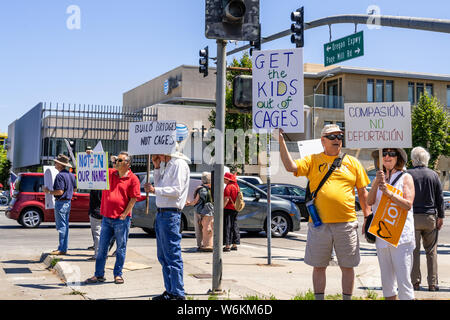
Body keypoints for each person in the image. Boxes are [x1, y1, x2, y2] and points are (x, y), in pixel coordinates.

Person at [276, 124, 371, 300]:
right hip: (319, 224)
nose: (337, 140)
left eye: (339, 136)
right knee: (319, 266)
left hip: (347, 223)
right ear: (323, 141)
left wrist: (367, 216)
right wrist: (281, 141)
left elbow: (363, 192)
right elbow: (290, 167)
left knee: (348, 266)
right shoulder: (312, 160)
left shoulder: (353, 162)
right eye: (332, 136)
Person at [85, 151, 140, 285]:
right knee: (102, 248)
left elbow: (133, 199)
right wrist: (92, 156)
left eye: (119, 160)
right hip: (107, 218)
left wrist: (124, 214)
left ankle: (118, 274)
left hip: (121, 219)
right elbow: (96, 168)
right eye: (116, 160)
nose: (116, 162)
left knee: (121, 248)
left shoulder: (133, 179)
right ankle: (98, 275)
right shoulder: (110, 174)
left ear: (127, 164)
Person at [367, 148, 416, 300]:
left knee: (404, 282)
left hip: (401, 237)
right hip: (382, 236)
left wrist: (389, 193)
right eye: (384, 154)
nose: (387, 156)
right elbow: (369, 202)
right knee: (387, 283)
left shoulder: (405, 177)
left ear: (398, 158)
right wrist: (377, 183)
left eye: (392, 153)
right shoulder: (377, 178)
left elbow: (408, 204)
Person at [144, 149, 190, 300]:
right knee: (164, 255)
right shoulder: (169, 165)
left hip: (171, 213)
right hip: (163, 212)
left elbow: (176, 191)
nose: (157, 155)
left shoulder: (179, 164)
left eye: (159, 152)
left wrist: (155, 189)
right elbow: (160, 187)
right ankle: (171, 290)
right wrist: (156, 168)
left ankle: (177, 292)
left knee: (171, 254)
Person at [408, 146, 444, 292]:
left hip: (413, 216)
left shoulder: (408, 174)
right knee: (431, 251)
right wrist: (440, 216)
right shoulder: (433, 175)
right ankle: (433, 283)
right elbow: (439, 198)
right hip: (430, 217)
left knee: (414, 251)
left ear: (413, 159)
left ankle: (415, 282)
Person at [43, 154, 77, 256]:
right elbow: (75, 189)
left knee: (62, 226)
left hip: (61, 202)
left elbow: (60, 191)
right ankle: (63, 247)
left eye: (56, 162)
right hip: (68, 202)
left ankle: (62, 249)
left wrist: (48, 191)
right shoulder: (71, 175)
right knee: (65, 226)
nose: (55, 163)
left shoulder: (60, 176)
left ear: (60, 165)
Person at [186, 172, 214, 252]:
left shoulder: (201, 189)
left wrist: (189, 203)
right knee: (209, 228)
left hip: (199, 211)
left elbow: (195, 201)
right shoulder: (212, 188)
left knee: (198, 228)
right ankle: (209, 243)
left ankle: (200, 244)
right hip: (210, 211)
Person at [223, 172, 240, 252]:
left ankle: (227, 246)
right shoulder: (236, 186)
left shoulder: (228, 187)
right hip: (235, 208)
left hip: (228, 209)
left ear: (227, 179)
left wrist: (221, 208)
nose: (223, 180)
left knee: (227, 226)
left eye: (224, 178)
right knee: (234, 226)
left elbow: (226, 199)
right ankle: (235, 245)